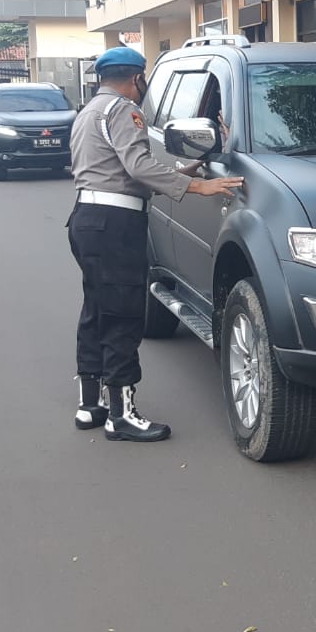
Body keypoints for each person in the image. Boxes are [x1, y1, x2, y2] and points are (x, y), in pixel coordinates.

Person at [67, 46, 243, 442]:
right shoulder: (123, 111)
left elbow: (118, 170)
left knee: (96, 309)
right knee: (124, 315)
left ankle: (90, 404)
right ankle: (121, 416)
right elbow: (138, 167)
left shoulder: (89, 112)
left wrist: (189, 170)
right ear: (136, 78)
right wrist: (198, 186)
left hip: (87, 219)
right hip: (116, 225)